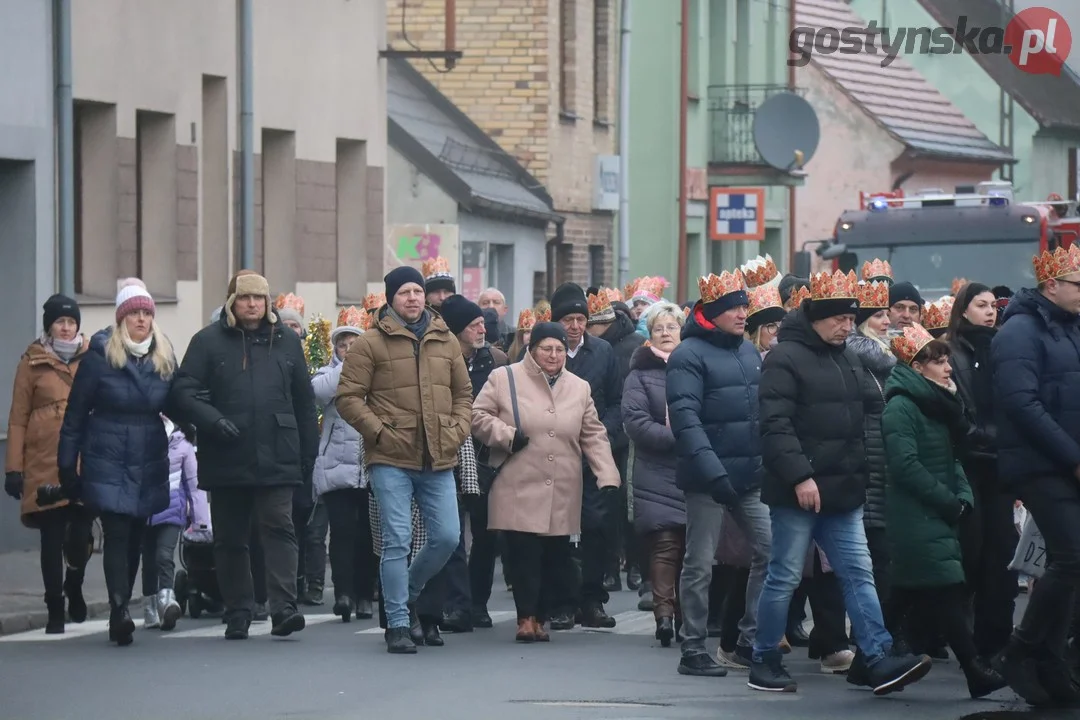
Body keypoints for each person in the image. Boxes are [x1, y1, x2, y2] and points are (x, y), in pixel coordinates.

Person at [751, 269, 932, 695]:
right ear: (817, 317)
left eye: (852, 319)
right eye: (840, 319)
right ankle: (764, 657)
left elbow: (864, 417)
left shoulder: (848, 355)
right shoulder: (784, 357)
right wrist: (800, 476)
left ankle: (877, 657)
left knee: (858, 572)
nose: (848, 326)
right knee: (785, 575)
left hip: (844, 490)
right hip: (799, 491)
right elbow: (775, 426)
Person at [168, 270, 319, 640]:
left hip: (278, 452)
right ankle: (238, 610)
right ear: (231, 301)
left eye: (259, 298)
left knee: (280, 530)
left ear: (268, 303)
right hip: (226, 452)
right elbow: (181, 393)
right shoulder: (207, 342)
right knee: (231, 537)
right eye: (244, 298)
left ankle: (283, 609)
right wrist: (213, 421)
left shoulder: (285, 341)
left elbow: (303, 400)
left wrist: (308, 454)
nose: (252, 304)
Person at [336, 265, 473, 654]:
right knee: (397, 539)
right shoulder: (370, 343)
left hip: (438, 455)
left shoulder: (444, 340)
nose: (412, 298)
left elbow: (464, 393)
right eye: (404, 293)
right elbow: (348, 398)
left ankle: (408, 592)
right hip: (390, 458)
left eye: (417, 291)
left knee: (447, 536)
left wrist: (456, 429)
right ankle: (397, 623)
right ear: (391, 298)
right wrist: (379, 432)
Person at [471, 321, 620, 642]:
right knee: (523, 552)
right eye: (546, 348)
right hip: (517, 481)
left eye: (559, 349)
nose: (553, 355)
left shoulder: (579, 387)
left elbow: (593, 433)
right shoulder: (504, 378)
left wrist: (607, 474)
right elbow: (478, 416)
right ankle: (526, 617)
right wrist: (507, 436)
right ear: (532, 349)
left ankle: (541, 615)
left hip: (562, 484)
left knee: (555, 555)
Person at [882, 323, 1007, 699]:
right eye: (938, 361)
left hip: (937, 510)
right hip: (917, 514)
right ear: (918, 367)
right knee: (946, 589)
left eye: (946, 359)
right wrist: (948, 501)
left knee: (905, 594)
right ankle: (974, 671)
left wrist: (962, 495)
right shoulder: (902, 406)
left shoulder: (938, 402)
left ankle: (863, 665)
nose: (947, 367)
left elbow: (953, 457)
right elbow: (905, 466)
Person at [57, 279, 175, 646]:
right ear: (122, 318)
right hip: (107, 452)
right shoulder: (100, 356)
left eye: (146, 313)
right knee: (117, 532)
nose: (141, 319)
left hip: (148, 453)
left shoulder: (164, 356)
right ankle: (120, 608)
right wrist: (66, 463)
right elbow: (75, 414)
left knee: (137, 535)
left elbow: (179, 403)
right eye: (134, 313)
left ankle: (121, 606)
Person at [666, 270, 772, 677]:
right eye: (735, 307)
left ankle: (747, 638)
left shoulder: (746, 351)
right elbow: (686, 420)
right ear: (714, 312)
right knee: (700, 562)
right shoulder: (687, 354)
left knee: (773, 549)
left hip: (748, 475)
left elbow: (755, 415)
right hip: (707, 479)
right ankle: (692, 647)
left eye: (745, 306)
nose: (744, 313)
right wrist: (714, 474)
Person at [992, 245, 1080, 707]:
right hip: (1039, 463)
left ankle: (1049, 658)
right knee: (1070, 557)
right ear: (1052, 286)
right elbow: (1022, 404)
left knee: (1072, 563)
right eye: (1078, 284)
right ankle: (1020, 652)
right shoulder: (1020, 332)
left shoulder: (1069, 328)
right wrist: (1073, 457)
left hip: (1066, 461)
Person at [4, 295, 93, 633]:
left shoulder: (92, 358)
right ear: (49, 326)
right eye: (60, 322)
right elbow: (17, 418)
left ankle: (75, 582)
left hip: (84, 457)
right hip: (44, 459)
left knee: (83, 529)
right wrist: (14, 468)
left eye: (71, 322)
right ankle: (55, 606)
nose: (67, 327)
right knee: (51, 536)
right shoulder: (31, 362)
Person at [948, 281, 1017, 665]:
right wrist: (978, 437)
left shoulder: (1003, 348)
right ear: (964, 311)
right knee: (970, 554)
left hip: (1000, 464)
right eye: (981, 305)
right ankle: (963, 640)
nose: (990, 312)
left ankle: (996, 640)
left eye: (993, 305)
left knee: (1003, 553)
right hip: (967, 463)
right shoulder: (952, 351)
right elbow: (953, 408)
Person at [550, 282, 622, 629]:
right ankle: (562, 601)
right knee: (557, 530)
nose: (575, 327)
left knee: (595, 526)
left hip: (593, 452)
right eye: (568, 320)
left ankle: (591, 599)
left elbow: (617, 400)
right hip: (554, 454)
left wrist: (601, 433)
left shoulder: (603, 352)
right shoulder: (543, 352)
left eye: (580, 319)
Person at [438, 294, 509, 631]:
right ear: (456, 331)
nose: (482, 328)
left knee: (485, 534)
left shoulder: (496, 361)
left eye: (483, 323)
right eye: (474, 325)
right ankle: (457, 605)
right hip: (450, 453)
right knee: (451, 533)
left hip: (487, 458)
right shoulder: (438, 358)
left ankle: (479, 602)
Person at [622, 301, 686, 646]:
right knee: (665, 545)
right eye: (659, 328)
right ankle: (663, 615)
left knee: (693, 548)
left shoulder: (693, 365)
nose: (665, 334)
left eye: (671, 327)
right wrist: (680, 437)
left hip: (693, 468)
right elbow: (635, 422)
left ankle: (686, 618)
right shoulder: (639, 374)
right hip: (655, 469)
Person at [312, 306, 376, 623]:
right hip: (336, 465)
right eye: (343, 344)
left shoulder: (379, 373)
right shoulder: (328, 374)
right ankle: (343, 594)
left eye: (355, 344)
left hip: (369, 464)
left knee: (368, 533)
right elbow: (317, 394)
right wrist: (347, 368)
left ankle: (366, 595)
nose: (348, 350)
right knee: (341, 532)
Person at [585, 290, 645, 593]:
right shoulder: (588, 349)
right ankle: (609, 569)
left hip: (629, 437)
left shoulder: (634, 345)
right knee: (605, 507)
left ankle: (635, 565)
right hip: (600, 435)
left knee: (628, 506)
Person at [845, 279, 895, 624]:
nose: (888, 321)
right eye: (879, 315)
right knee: (871, 550)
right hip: (868, 457)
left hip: (882, 456)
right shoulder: (862, 358)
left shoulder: (888, 356)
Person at [142, 416, 197, 631]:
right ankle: (150, 606)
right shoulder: (143, 437)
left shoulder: (182, 445)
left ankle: (166, 601)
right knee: (148, 561)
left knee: (164, 556)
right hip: (145, 512)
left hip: (172, 511)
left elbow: (194, 484)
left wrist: (201, 521)